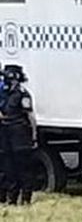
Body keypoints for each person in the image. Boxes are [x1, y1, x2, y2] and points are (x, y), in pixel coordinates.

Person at [0, 64, 37, 205]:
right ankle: (12, 198)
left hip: (20, 134)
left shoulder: (23, 94)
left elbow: (30, 116)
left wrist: (34, 136)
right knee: (9, 168)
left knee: (23, 168)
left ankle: (26, 198)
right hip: (6, 134)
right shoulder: (5, 94)